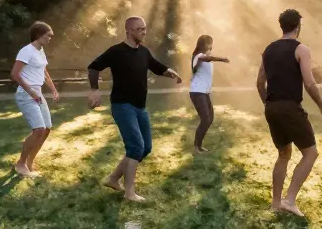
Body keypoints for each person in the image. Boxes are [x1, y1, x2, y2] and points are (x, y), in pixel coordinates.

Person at [88, 16, 183, 202]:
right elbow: (93, 67)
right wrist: (94, 90)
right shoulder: (116, 51)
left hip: (140, 107)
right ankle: (129, 193)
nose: (143, 31)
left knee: (145, 148)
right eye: (139, 29)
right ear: (129, 31)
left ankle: (114, 179)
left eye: (144, 28)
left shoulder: (144, 52)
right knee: (135, 147)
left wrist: (172, 74)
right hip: (122, 105)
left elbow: (157, 67)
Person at [257, 9, 322, 217]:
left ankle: (275, 203)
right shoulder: (301, 49)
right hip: (290, 107)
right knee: (310, 153)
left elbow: (259, 83)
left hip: (271, 107)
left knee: (283, 155)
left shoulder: (268, 49)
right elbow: (309, 82)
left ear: (281, 26)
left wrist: (269, 105)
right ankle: (289, 200)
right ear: (298, 26)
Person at [12, 22, 59, 178]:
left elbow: (44, 72)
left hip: (37, 92)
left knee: (46, 129)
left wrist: (53, 89)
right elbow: (15, 74)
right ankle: (20, 164)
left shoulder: (40, 51)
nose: (50, 39)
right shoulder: (26, 51)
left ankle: (29, 162)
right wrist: (31, 91)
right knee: (38, 129)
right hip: (26, 94)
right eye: (48, 36)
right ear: (39, 35)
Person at [189, 34, 229, 153]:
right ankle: (196, 147)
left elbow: (208, 60)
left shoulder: (207, 57)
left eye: (211, 43)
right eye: (207, 43)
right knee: (206, 119)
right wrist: (221, 59)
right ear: (202, 44)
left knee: (210, 118)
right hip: (197, 91)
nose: (210, 45)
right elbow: (206, 59)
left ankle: (199, 145)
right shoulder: (198, 56)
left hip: (204, 92)